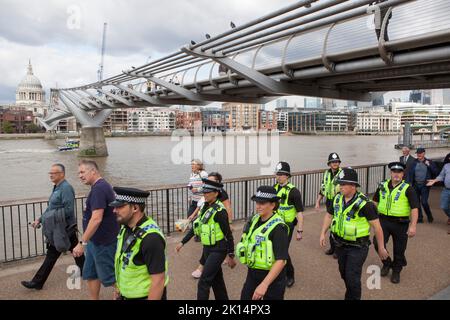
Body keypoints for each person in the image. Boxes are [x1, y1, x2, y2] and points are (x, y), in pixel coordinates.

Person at [319, 167, 389, 300]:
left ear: (353, 185)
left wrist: (381, 247)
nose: (340, 187)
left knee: (352, 276)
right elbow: (329, 216)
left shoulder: (366, 205)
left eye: (343, 184)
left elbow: (377, 228)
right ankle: (350, 294)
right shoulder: (337, 199)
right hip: (340, 244)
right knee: (343, 273)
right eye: (339, 184)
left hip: (357, 247)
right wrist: (323, 233)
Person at [21, 164, 84, 290]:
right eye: (50, 173)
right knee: (76, 251)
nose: (51, 175)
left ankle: (37, 282)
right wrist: (39, 219)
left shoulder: (66, 188)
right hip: (60, 227)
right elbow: (51, 209)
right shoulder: (56, 188)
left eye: (53, 173)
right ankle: (86, 270)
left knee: (52, 254)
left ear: (62, 174)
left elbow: (69, 210)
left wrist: (49, 218)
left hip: (63, 228)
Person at [176, 178, 236, 300]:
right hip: (207, 249)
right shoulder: (205, 207)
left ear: (216, 193)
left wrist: (231, 255)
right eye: (204, 192)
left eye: (208, 192)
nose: (205, 194)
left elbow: (228, 234)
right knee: (216, 281)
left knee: (204, 282)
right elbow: (196, 227)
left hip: (218, 250)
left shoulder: (220, 211)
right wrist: (182, 242)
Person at [111, 187, 168, 300]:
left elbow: (158, 281)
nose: (114, 210)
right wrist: (119, 288)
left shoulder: (151, 238)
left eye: (120, 207)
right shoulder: (126, 227)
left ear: (135, 208)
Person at [73, 160, 119, 300]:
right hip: (95, 241)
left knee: (109, 277)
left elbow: (96, 219)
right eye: (78, 173)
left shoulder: (99, 188)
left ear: (93, 171)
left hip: (103, 242)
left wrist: (82, 242)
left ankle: (126, 295)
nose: (80, 175)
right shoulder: (99, 187)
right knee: (91, 273)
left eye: (82, 172)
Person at [237, 186, 289, 300]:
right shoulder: (255, 219)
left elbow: (281, 261)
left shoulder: (278, 228)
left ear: (272, 205)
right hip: (253, 273)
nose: (258, 206)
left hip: (272, 279)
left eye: (262, 203)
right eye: (257, 202)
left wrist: (264, 284)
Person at [372, 162, 419, 284]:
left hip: (401, 223)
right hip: (383, 221)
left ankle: (396, 271)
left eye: (399, 172)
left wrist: (413, 226)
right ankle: (387, 263)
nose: (396, 175)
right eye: (394, 172)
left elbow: (414, 208)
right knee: (377, 243)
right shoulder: (382, 185)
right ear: (391, 173)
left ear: (403, 174)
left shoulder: (408, 188)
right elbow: (375, 201)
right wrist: (372, 218)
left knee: (399, 249)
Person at [189, 172, 233, 279]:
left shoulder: (221, 193)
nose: (208, 182)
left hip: (218, 232)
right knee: (217, 280)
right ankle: (204, 267)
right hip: (208, 231)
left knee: (206, 279)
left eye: (212, 180)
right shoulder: (206, 195)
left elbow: (228, 206)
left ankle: (201, 268)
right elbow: (200, 200)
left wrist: (229, 222)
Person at [273, 161, 304, 288]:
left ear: (287, 176)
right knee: (276, 249)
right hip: (276, 225)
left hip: (288, 227)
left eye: (281, 174)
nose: (278, 176)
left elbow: (300, 213)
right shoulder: (274, 189)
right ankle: (278, 271)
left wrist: (300, 231)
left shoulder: (294, 192)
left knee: (283, 251)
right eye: (277, 174)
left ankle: (290, 275)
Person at [315, 153, 343, 259]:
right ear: (329, 164)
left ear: (339, 163)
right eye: (333, 162)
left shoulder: (343, 173)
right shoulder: (326, 173)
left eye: (336, 162)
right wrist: (318, 201)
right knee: (331, 225)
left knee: (337, 225)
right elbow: (323, 189)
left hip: (339, 202)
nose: (335, 163)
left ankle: (338, 249)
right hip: (330, 201)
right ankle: (332, 248)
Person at [407, 148, 439, 223]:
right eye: (417, 153)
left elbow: (436, 172)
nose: (419, 154)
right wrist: (409, 183)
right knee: (417, 202)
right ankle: (420, 218)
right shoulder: (414, 162)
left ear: (424, 153)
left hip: (425, 185)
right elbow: (409, 173)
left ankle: (429, 215)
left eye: (420, 153)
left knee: (424, 202)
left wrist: (429, 165)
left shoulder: (429, 162)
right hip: (415, 185)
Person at [427, 152, 450, 233]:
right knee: (444, 206)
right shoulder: (446, 166)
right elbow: (441, 176)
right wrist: (434, 181)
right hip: (446, 189)